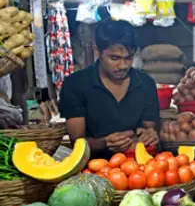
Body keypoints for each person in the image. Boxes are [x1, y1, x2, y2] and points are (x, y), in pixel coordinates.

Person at [60, 20, 160, 158]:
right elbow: (76, 143)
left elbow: (150, 128)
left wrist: (150, 135)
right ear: (97, 51)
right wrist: (104, 143)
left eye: (128, 58)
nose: (123, 65)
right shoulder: (75, 84)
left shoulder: (146, 83)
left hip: (138, 168)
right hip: (92, 170)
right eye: (115, 58)